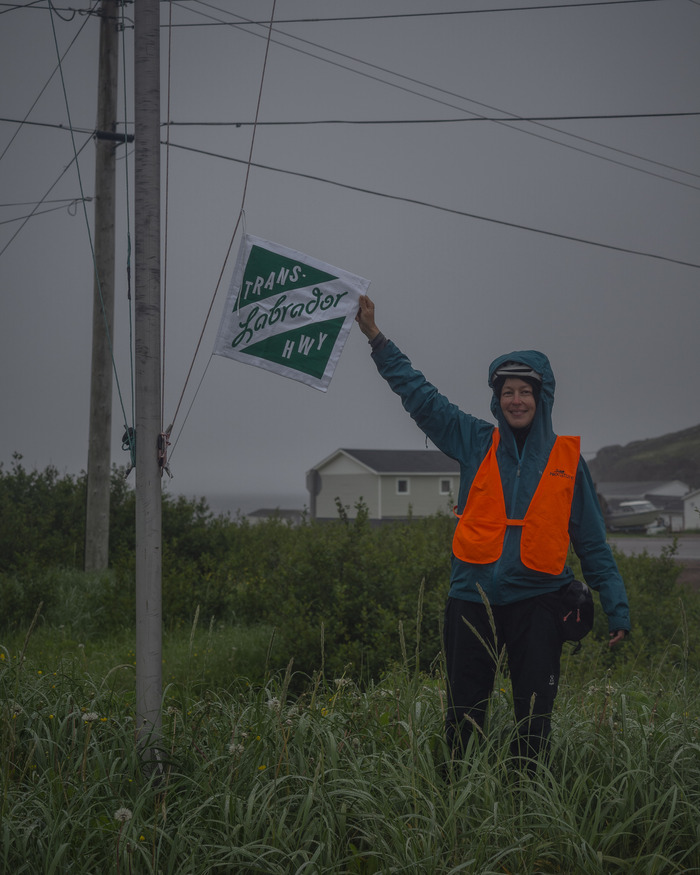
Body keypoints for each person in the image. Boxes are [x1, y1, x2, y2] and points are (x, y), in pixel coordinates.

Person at [355, 294, 630, 771]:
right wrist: (377, 339)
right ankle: (457, 800)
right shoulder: (474, 439)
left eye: (525, 391)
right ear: (496, 399)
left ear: (541, 398)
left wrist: (617, 603)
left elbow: (590, 542)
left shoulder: (567, 461)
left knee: (534, 720)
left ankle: (525, 803)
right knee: (463, 715)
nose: (515, 400)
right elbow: (420, 396)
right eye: (507, 392)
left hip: (540, 601)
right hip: (471, 598)